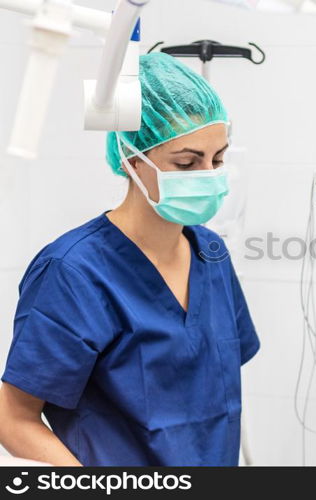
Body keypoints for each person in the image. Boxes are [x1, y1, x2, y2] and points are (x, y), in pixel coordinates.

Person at [0, 53, 259, 466]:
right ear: (131, 158)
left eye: (219, 159)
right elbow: (13, 420)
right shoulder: (74, 271)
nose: (208, 175)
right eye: (187, 162)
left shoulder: (211, 253)